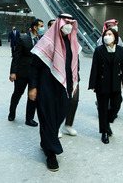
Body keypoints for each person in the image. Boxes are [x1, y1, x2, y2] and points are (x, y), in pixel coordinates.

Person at [29, 14, 80, 172]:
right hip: (46, 86)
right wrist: (33, 87)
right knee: (48, 117)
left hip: (65, 87)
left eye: (71, 23)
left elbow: (75, 65)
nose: (69, 26)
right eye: (67, 22)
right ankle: (51, 153)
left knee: (59, 115)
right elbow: (34, 67)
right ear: (59, 23)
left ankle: (45, 141)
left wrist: (75, 82)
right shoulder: (47, 41)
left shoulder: (72, 41)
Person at [89, 28, 123, 144]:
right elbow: (94, 67)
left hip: (115, 82)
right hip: (102, 83)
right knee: (103, 108)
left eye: (110, 34)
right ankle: (104, 132)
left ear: (115, 37)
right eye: (106, 34)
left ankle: (107, 121)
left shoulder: (120, 50)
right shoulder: (99, 50)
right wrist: (92, 84)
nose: (107, 36)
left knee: (116, 104)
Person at [8, 19, 44, 126]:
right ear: (35, 27)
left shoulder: (43, 40)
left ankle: (29, 118)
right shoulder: (23, 39)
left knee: (33, 96)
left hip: (36, 74)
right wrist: (13, 72)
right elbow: (16, 57)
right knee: (17, 94)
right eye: (41, 26)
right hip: (22, 73)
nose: (43, 28)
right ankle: (12, 112)